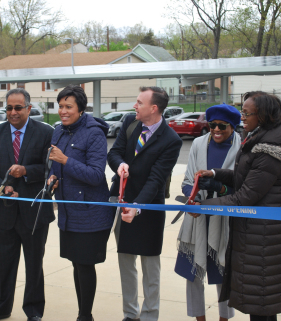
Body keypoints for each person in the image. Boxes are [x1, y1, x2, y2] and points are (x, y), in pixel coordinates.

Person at [195, 91, 281, 321]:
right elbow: (245, 176)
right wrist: (215, 173)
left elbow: (244, 196)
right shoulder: (259, 136)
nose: (243, 118)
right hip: (251, 232)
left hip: (263, 237)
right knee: (255, 299)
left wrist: (205, 206)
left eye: (247, 113)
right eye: (242, 112)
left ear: (264, 115)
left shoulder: (270, 150)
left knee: (261, 302)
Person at [107, 86, 182, 321]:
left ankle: (149, 315)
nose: (134, 106)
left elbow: (156, 179)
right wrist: (120, 164)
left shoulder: (171, 140)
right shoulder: (130, 123)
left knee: (150, 266)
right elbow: (114, 153)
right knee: (126, 262)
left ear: (154, 108)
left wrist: (138, 207)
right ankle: (130, 314)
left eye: (139, 102)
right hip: (122, 200)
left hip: (149, 208)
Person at [0, 88, 54, 321]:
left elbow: (50, 169)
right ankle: (2, 308)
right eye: (9, 108)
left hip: (34, 212)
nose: (13, 112)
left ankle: (33, 311)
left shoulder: (45, 133)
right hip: (5, 212)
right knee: (5, 265)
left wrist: (26, 172)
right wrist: (3, 188)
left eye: (18, 108)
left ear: (29, 109)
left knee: (34, 265)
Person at [46, 85, 114, 321]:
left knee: (85, 265)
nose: (63, 111)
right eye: (60, 106)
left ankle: (85, 316)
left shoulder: (94, 133)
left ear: (81, 108)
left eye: (68, 107)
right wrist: (52, 178)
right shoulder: (58, 131)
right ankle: (83, 314)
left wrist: (65, 161)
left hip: (90, 213)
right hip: (68, 212)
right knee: (76, 264)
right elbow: (55, 166)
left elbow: (96, 175)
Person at [174, 104, 242, 321]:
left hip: (225, 220)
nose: (216, 130)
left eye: (222, 126)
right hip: (196, 218)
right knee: (192, 274)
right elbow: (187, 181)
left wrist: (218, 187)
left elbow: (243, 189)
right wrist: (191, 199)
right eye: (212, 125)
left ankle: (224, 318)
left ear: (233, 127)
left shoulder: (242, 148)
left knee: (222, 272)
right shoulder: (198, 143)